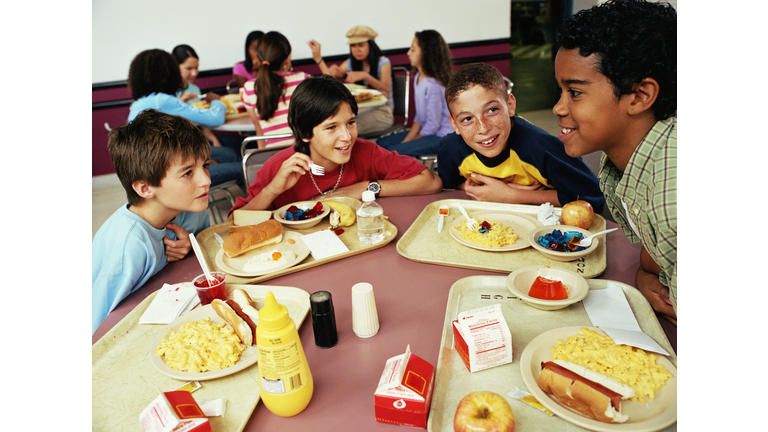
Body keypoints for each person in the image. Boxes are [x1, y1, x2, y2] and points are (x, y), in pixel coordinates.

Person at [553, 0, 677, 324]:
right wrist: (643, 279)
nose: (558, 107)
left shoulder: (674, 192)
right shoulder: (625, 162)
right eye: (560, 91)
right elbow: (653, 258)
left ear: (638, 96)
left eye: (575, 93)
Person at [230, 74, 442, 212]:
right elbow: (234, 223)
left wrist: (364, 188)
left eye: (350, 123)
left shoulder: (365, 152)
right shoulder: (279, 168)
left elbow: (431, 181)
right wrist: (272, 190)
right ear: (305, 133)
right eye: (331, 127)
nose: (347, 136)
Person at [93, 109, 211, 333]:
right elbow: (98, 332)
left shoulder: (192, 205)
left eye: (205, 165)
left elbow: (209, 256)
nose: (205, 180)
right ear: (146, 188)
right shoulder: (127, 246)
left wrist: (193, 246)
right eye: (187, 173)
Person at [437, 63, 605, 212]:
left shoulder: (541, 148)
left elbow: (593, 199)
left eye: (492, 110)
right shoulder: (450, 149)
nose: (483, 128)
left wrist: (514, 196)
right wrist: (486, 191)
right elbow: (449, 187)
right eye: (467, 119)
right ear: (454, 124)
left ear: (510, 105)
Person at [127, 48, 245, 191]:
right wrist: (216, 101)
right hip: (173, 177)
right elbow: (215, 119)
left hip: (157, 172)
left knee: (231, 154)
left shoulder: (141, 102)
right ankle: (255, 207)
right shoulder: (163, 100)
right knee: (243, 164)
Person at [377, 30, 453, 157]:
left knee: (393, 152)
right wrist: (408, 139)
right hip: (428, 131)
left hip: (441, 135)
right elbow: (419, 117)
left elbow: (433, 125)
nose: (408, 53)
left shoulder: (432, 85)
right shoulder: (418, 77)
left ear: (425, 53)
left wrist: (411, 140)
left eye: (413, 50)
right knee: (381, 143)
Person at [308, 25, 394, 136]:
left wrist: (365, 76)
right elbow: (328, 79)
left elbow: (386, 89)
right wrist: (318, 59)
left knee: (346, 128)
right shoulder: (351, 62)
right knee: (336, 124)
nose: (357, 50)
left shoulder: (383, 62)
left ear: (371, 45)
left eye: (361, 45)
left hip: (383, 112)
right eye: (353, 46)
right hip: (360, 110)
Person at [240, 31, 309, 148]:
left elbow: (259, 132)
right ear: (287, 59)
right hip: (303, 154)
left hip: (271, 158)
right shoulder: (304, 80)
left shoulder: (249, 88)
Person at [172, 44, 240, 154]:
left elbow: (202, 123)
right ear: (175, 66)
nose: (194, 73)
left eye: (196, 67)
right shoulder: (168, 94)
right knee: (232, 155)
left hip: (200, 137)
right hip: (183, 145)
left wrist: (214, 140)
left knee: (238, 144)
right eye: (189, 68)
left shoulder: (195, 89)